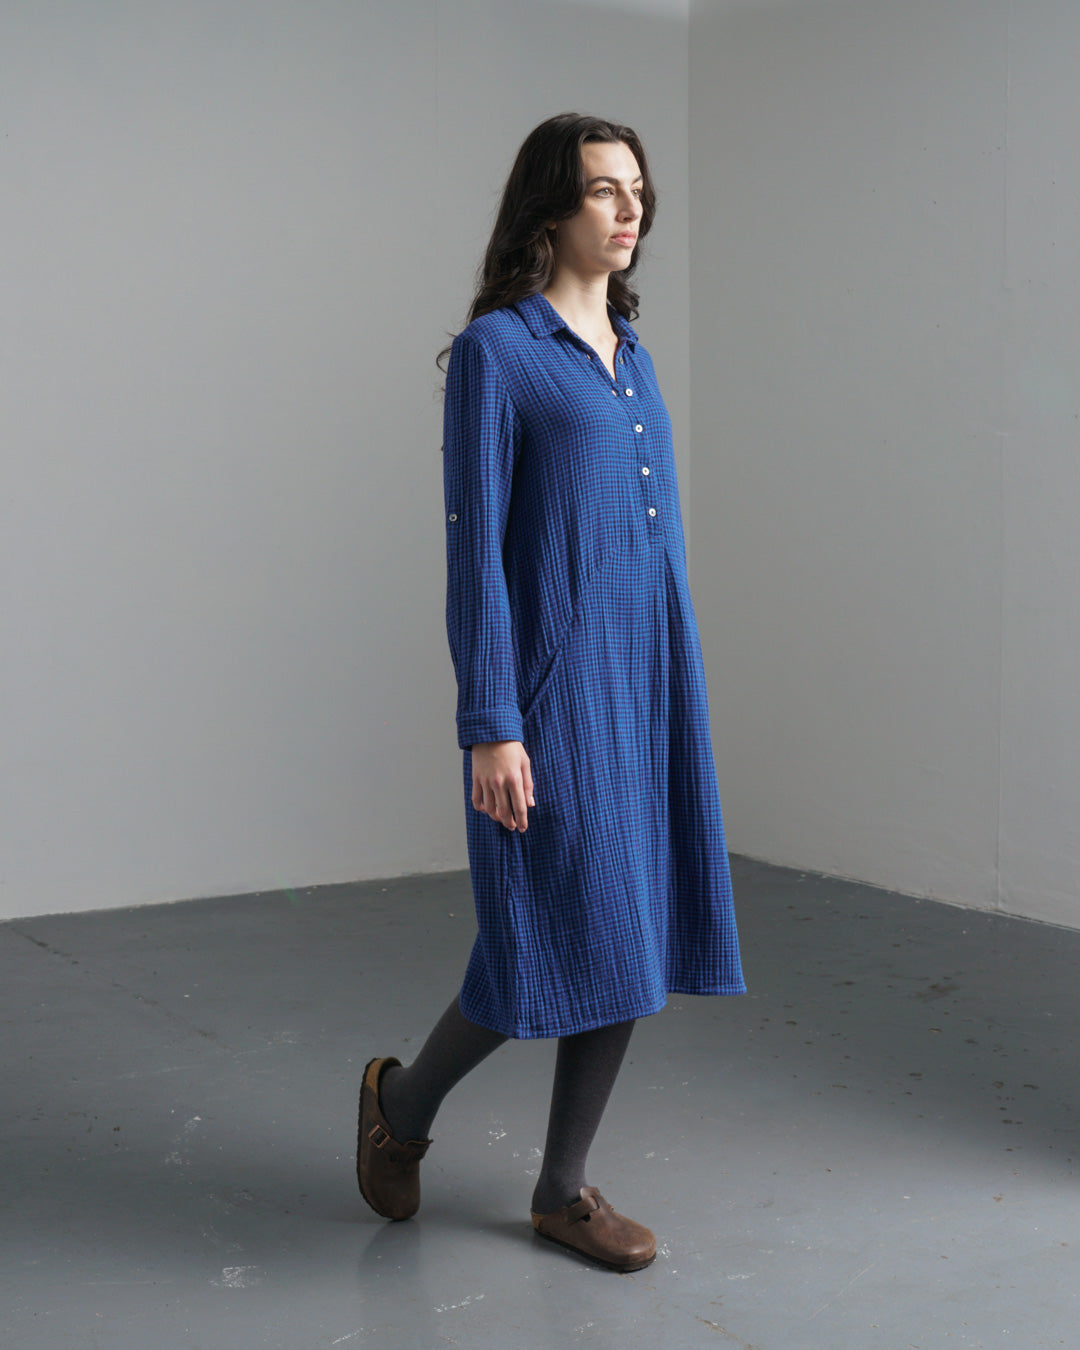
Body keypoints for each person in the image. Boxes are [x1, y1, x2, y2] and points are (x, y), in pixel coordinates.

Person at [357, 112, 745, 1274]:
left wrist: (677, 679)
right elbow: (476, 551)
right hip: (554, 691)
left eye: (637, 190)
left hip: (649, 679)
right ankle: (401, 1104)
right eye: (602, 190)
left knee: (631, 927)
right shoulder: (500, 353)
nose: (630, 210)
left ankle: (559, 1189)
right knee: (544, 933)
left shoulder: (635, 354)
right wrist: (493, 723)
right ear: (550, 207)